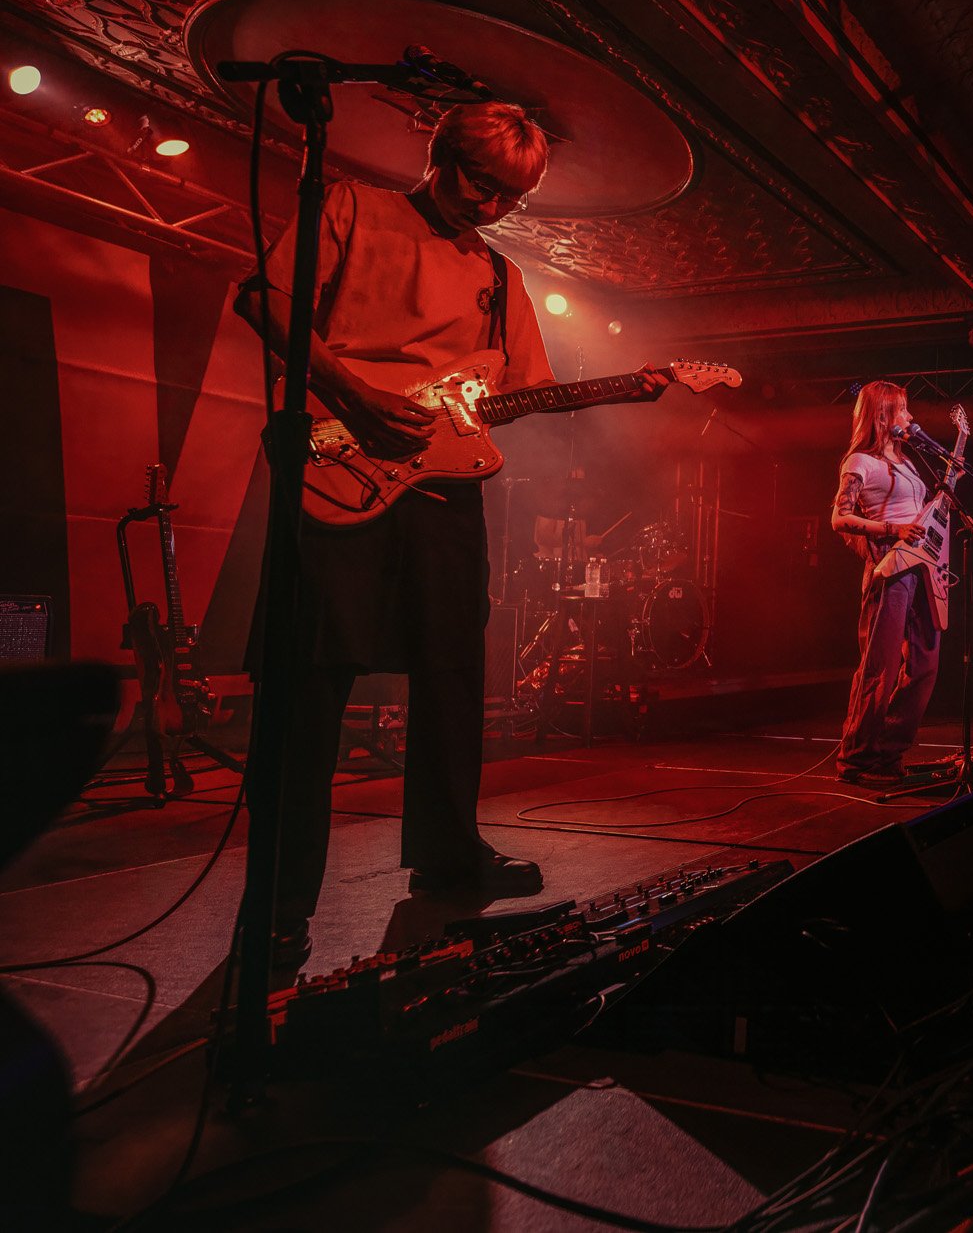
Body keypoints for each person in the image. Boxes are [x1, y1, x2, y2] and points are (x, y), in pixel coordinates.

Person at [235, 101, 674, 967]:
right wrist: (359, 398)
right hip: (333, 460)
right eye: (482, 180)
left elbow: (526, 391)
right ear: (439, 153)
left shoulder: (503, 278)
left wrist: (623, 390)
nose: (492, 204)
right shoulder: (354, 207)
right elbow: (264, 302)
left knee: (452, 672)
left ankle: (447, 852)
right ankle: (280, 904)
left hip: (440, 491)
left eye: (513, 194)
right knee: (310, 683)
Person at [831, 381, 948, 782]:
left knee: (924, 663)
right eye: (902, 410)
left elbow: (922, 515)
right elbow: (839, 518)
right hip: (888, 568)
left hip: (921, 570)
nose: (910, 417)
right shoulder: (860, 462)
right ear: (881, 415)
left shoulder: (910, 463)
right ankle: (857, 759)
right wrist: (891, 529)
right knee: (880, 667)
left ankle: (888, 752)